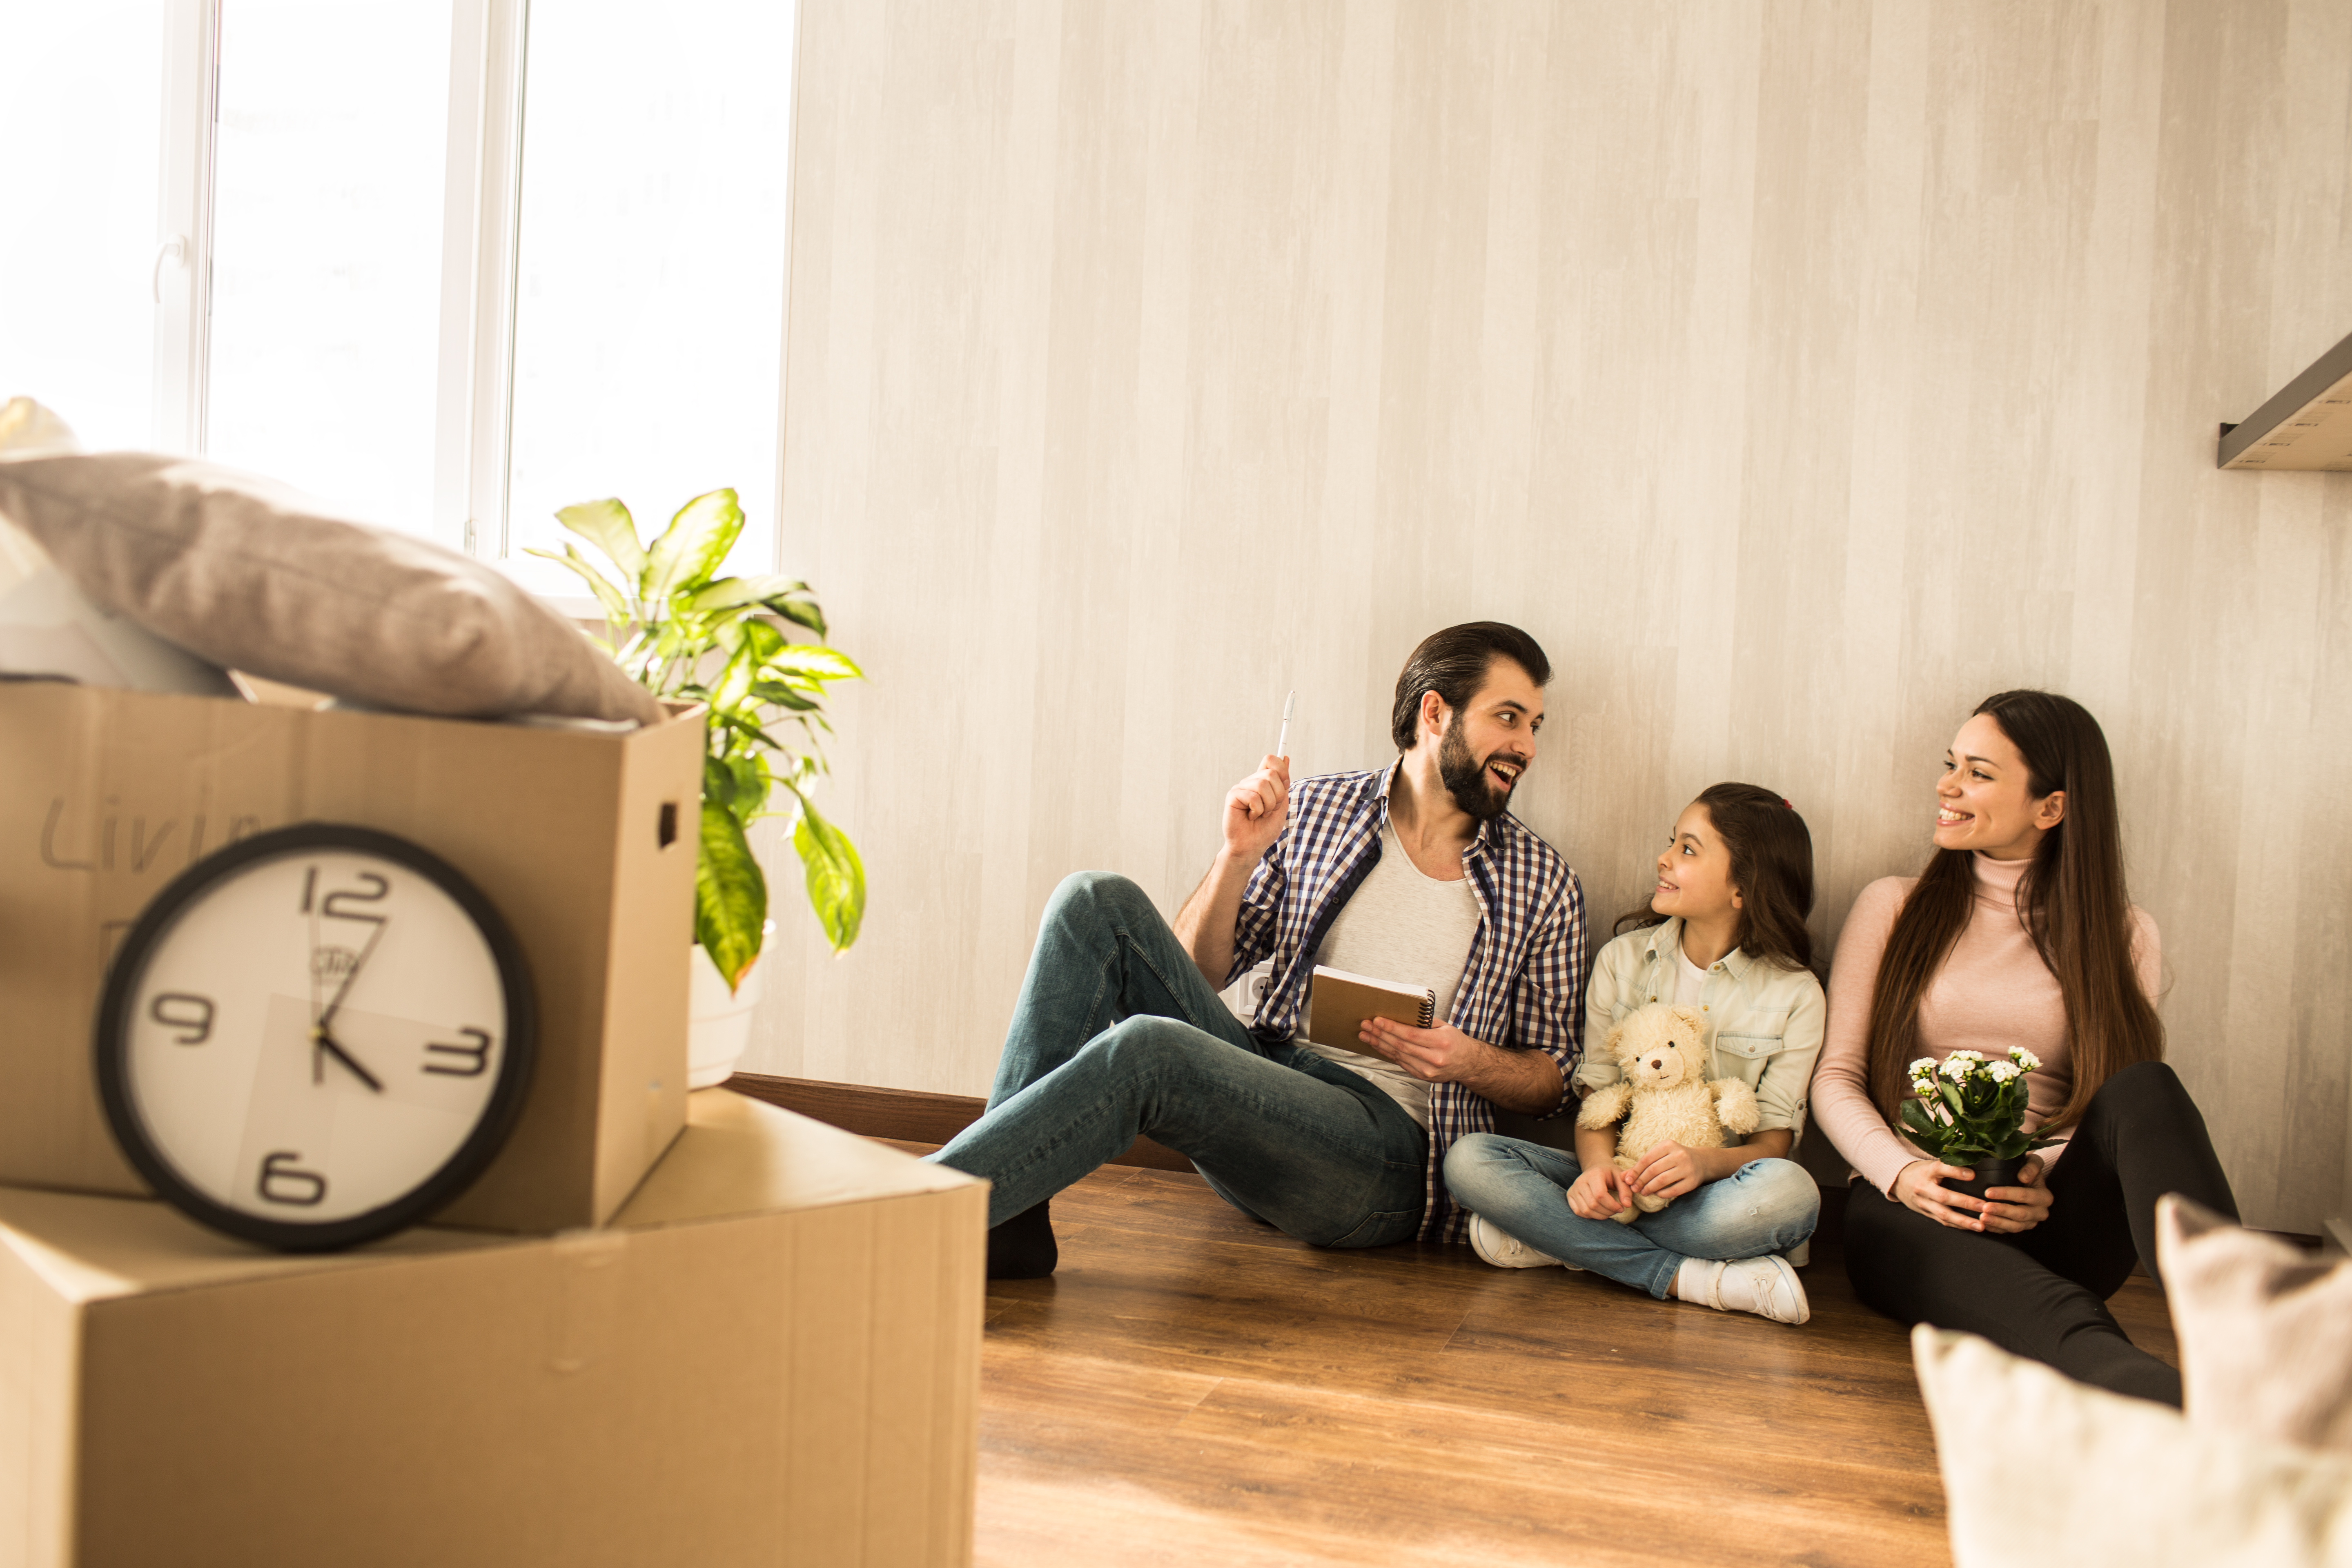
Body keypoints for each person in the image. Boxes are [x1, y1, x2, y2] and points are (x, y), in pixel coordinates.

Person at [931, 622, 1588, 1277]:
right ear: (1436, 712)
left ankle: (900, 1213)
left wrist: (1468, 1059)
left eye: (1535, 725)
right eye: (1509, 718)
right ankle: (1003, 1221)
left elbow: (1552, 1081)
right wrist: (1236, 857)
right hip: (1262, 1083)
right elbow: (1194, 974)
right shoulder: (1317, 810)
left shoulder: (1541, 881)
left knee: (1151, 1050)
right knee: (1093, 900)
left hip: (1383, 1158)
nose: (1526, 746)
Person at [1813, 690, 2236, 1405]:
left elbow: (2106, 1100)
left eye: (1978, 773)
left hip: (2048, 1213)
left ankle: (2248, 1329)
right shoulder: (1892, 905)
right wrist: (1901, 1175)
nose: (1947, 787)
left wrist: (2040, 1169)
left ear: (2052, 808)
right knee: (2065, 1327)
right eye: (1951, 765)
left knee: (2145, 1085)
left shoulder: (2124, 933)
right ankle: (2184, 1411)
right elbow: (1837, 1076)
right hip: (1912, 1210)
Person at [1445, 784, 1826, 1323]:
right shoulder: (1623, 961)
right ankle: (1687, 1278)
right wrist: (1598, 1174)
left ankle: (1562, 1241)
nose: (1664, 858)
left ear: (1742, 888)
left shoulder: (1796, 994)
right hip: (1621, 1184)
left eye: (1689, 849)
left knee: (1793, 1196)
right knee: (1471, 1161)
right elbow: (1599, 1098)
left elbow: (1772, 1145)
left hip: (1716, 1199)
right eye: (1673, 842)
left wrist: (1702, 1164)